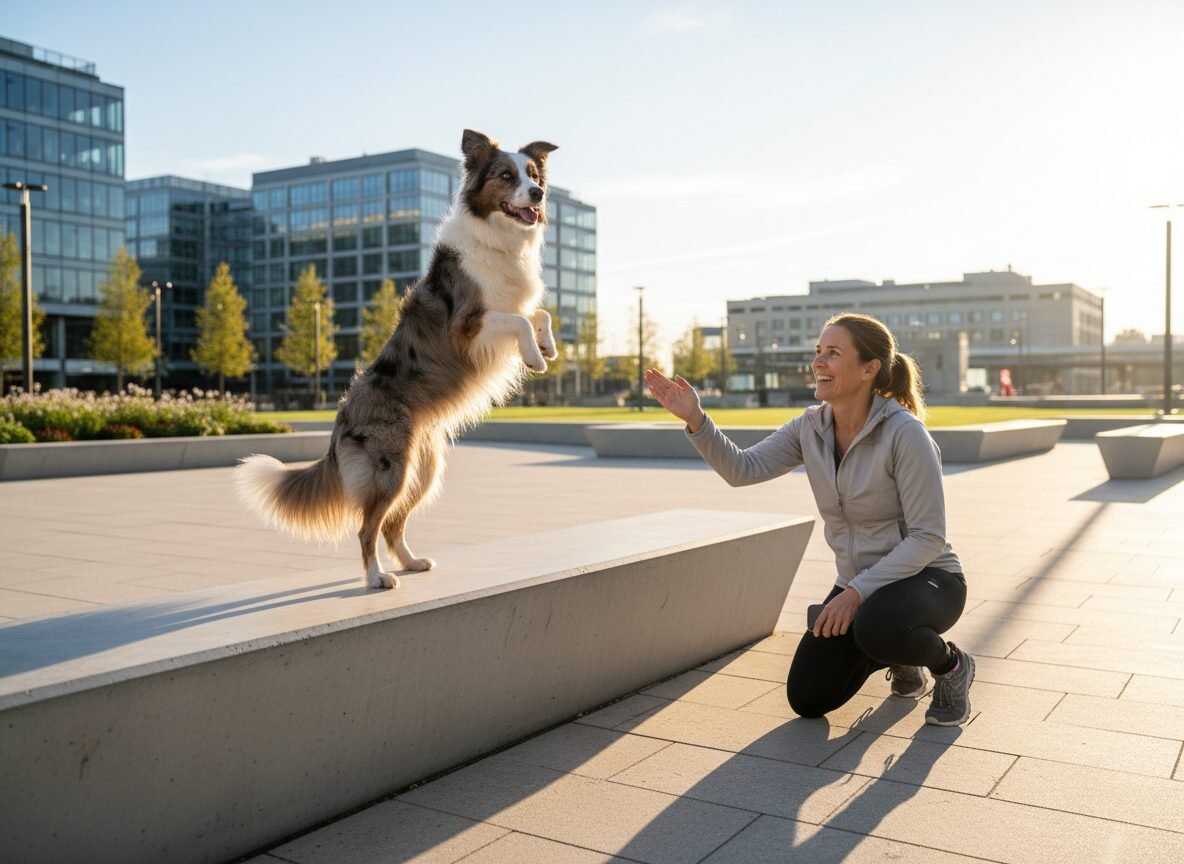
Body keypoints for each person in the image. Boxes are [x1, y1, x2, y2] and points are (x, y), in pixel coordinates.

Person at [643, 312, 974, 726]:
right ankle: (899, 654)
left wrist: (854, 593)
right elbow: (742, 469)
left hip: (929, 578)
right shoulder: (810, 427)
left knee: (877, 623)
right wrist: (696, 419)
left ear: (869, 369)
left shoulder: (905, 434)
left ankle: (951, 667)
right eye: (818, 351)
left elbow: (928, 537)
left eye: (833, 353)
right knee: (808, 696)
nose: (818, 362)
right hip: (863, 586)